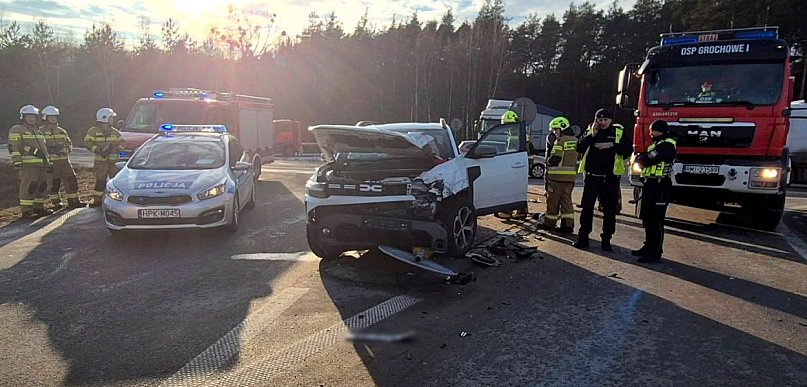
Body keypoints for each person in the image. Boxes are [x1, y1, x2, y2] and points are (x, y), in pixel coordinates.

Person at [573, 108, 631, 251]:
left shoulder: (618, 132)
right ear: (596, 120)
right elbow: (579, 147)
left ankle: (606, 240)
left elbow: (627, 150)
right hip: (592, 177)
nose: (603, 122)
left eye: (606, 120)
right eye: (600, 120)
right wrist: (592, 135)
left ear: (611, 120)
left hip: (610, 178)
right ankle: (583, 237)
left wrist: (612, 146)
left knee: (609, 211)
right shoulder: (591, 131)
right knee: (587, 208)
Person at [631, 120, 677, 263]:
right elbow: (643, 158)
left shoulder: (667, 145)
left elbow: (649, 159)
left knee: (656, 220)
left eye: (653, 130)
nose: (650, 133)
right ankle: (648, 246)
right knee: (647, 218)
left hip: (660, 185)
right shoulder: (656, 145)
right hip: (650, 184)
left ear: (660, 131)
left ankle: (655, 251)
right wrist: (641, 158)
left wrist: (642, 158)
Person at [8, 105, 52, 218]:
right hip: (28, 165)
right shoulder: (17, 129)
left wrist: (49, 162)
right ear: (23, 117)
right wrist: (17, 161)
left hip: (42, 165)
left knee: (42, 186)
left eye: (33, 116)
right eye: (28, 116)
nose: (31, 118)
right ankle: (26, 210)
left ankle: (39, 208)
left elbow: (44, 149)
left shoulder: (38, 131)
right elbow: (14, 147)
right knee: (29, 186)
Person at [537, 116, 577, 233]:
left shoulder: (560, 140)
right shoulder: (575, 140)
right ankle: (568, 226)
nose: (555, 132)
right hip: (569, 178)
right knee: (566, 202)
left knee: (553, 201)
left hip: (556, 178)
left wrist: (547, 161)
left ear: (562, 128)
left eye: (556, 129)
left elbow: (555, 158)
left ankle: (549, 224)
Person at [41, 106, 83, 209]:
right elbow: (40, 146)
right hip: (51, 162)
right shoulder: (40, 131)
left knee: (71, 180)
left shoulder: (61, 131)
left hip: (64, 160)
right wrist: (51, 149)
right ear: (45, 117)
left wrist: (66, 149)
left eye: (55, 117)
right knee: (54, 183)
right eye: (51, 117)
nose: (53, 119)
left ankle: (74, 201)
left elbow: (69, 144)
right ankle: (56, 203)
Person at [84, 108, 124, 207]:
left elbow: (122, 143)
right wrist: (98, 150)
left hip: (114, 163)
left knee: (115, 182)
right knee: (100, 181)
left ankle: (115, 201)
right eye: (111, 118)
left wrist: (117, 148)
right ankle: (97, 201)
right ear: (105, 118)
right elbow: (87, 143)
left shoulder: (114, 132)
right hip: (101, 162)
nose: (112, 120)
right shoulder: (93, 131)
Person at [496, 110, 528, 220]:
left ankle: (507, 211)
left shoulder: (515, 134)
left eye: (506, 124)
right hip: (520, 165)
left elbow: (512, 152)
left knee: (510, 189)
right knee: (519, 190)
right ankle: (521, 211)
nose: (506, 127)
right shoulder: (519, 132)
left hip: (514, 165)